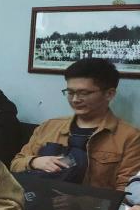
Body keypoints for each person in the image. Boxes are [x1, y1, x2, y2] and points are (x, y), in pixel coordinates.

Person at [11, 58, 140, 191]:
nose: (75, 99)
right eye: (70, 92)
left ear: (109, 94)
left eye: (84, 93)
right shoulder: (49, 127)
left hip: (94, 203)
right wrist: (34, 162)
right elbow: (15, 164)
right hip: (38, 198)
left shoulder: (129, 137)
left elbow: (126, 191)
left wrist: (85, 201)